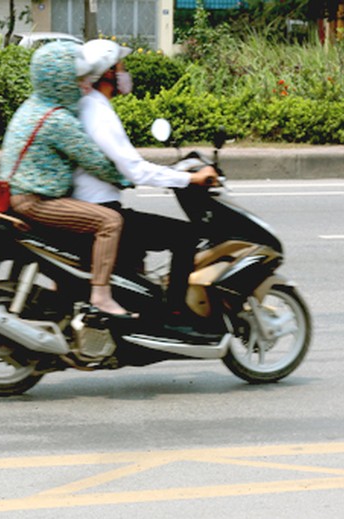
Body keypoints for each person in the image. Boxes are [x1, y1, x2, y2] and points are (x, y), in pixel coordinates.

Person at [73, 39, 219, 328]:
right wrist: (190, 178)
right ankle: (176, 315)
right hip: (101, 211)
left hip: (92, 207)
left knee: (137, 246)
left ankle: (140, 311)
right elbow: (136, 170)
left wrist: (174, 172)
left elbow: (125, 166)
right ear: (108, 74)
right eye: (121, 67)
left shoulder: (90, 106)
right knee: (185, 236)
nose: (126, 73)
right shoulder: (98, 113)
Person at [0, 40, 136, 318]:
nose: (84, 83)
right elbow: (94, 161)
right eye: (78, 78)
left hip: (17, 196)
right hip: (37, 202)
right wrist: (125, 178)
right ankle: (101, 295)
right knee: (110, 222)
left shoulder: (32, 106)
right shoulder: (58, 120)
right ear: (61, 80)